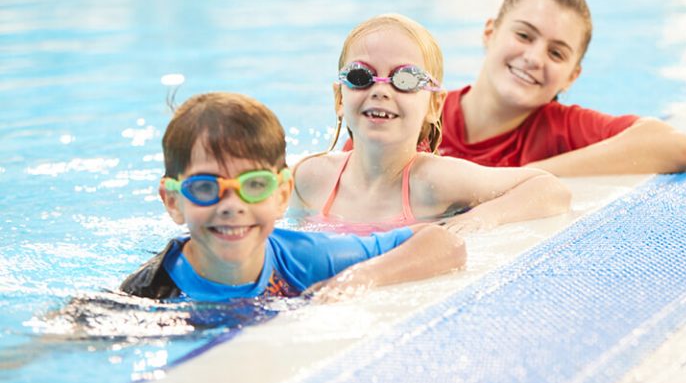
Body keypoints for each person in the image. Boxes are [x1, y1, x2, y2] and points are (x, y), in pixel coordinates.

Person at [119, 92, 466, 302]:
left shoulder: (301, 259)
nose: (232, 206)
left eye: (254, 185)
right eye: (205, 187)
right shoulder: (149, 293)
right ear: (173, 201)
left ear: (282, 194)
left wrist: (361, 277)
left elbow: (444, 243)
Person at [290, 13, 572, 236]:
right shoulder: (309, 178)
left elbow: (549, 189)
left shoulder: (431, 181)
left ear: (434, 105)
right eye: (360, 76)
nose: (380, 90)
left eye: (406, 79)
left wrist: (484, 216)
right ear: (340, 98)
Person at [439, 0, 686, 176]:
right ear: (490, 33)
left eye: (556, 53)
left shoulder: (560, 129)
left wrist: (526, 176)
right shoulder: (427, 112)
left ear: (572, 76)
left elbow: (675, 146)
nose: (534, 58)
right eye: (524, 35)